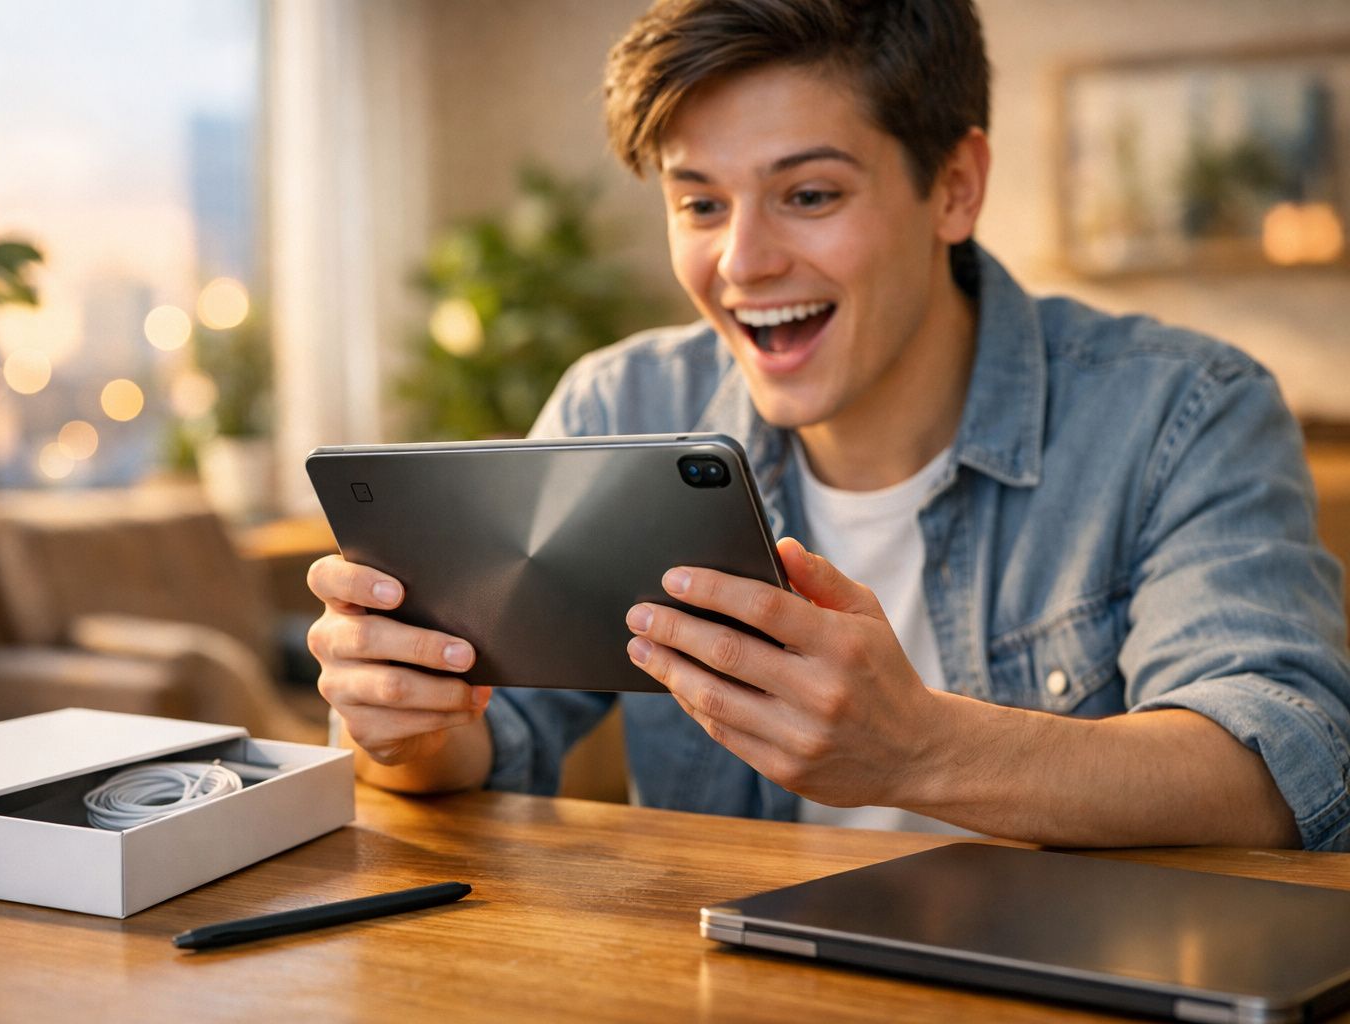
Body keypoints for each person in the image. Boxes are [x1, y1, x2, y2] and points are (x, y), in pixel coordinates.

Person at [307, 0, 1350, 851]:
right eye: (701, 204)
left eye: (807, 193)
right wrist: (403, 723)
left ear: (954, 187)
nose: (743, 262)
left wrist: (919, 751)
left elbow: (1280, 766)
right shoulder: (618, 410)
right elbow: (496, 746)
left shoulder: (1186, 409)